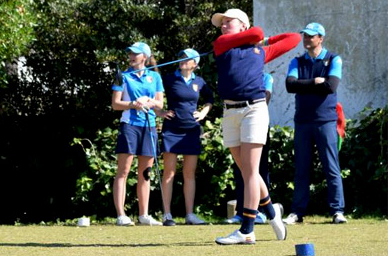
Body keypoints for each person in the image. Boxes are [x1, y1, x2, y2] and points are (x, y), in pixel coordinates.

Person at [210, 8, 301, 245]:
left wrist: (264, 41)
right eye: (222, 22)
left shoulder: (260, 50)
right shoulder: (221, 45)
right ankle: (271, 212)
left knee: (251, 171)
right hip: (230, 112)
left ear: (242, 25)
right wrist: (256, 37)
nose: (223, 25)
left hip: (254, 109)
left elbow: (294, 38)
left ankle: (247, 230)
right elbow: (257, 31)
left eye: (228, 21)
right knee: (248, 171)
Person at [283, 23, 347, 225]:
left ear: (321, 38)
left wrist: (312, 84)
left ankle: (337, 211)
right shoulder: (297, 60)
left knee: (331, 167)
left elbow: (331, 86)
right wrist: (314, 82)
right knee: (301, 168)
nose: (307, 39)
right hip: (302, 121)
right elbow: (290, 85)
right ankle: (297, 212)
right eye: (305, 36)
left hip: (326, 121)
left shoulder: (333, 59)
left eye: (311, 36)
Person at [157, 48, 214, 226]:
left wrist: (204, 112)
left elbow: (210, 99)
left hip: (191, 130)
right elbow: (154, 95)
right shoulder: (169, 78)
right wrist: (160, 112)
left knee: (189, 173)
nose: (182, 60)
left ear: (195, 64)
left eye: (187, 58)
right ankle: (167, 215)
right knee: (169, 172)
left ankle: (190, 215)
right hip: (172, 129)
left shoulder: (200, 81)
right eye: (181, 57)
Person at [111, 42, 165, 226]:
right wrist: (134, 103)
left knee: (145, 173)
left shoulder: (155, 77)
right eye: (130, 54)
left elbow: (160, 104)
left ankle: (144, 215)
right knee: (123, 171)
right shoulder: (122, 76)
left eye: (135, 54)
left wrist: (149, 101)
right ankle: (121, 215)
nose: (131, 57)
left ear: (145, 57)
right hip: (130, 125)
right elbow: (116, 104)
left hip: (149, 125)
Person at [226, 73, 276, 225]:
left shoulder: (266, 77)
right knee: (242, 170)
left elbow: (264, 99)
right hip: (238, 122)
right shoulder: (238, 76)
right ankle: (242, 211)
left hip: (256, 122)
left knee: (258, 170)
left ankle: (260, 212)